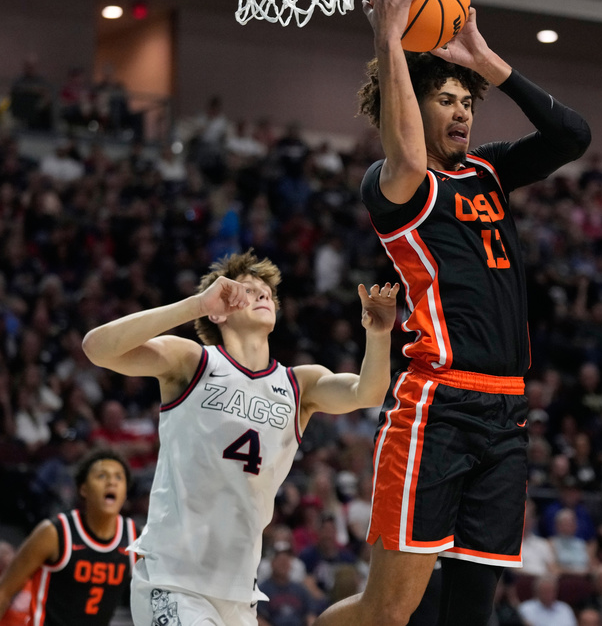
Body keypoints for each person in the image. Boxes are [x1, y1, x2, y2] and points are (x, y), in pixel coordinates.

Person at [317, 0, 590, 626]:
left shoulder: (491, 169)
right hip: (437, 405)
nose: (464, 113)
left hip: (507, 414)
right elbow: (409, 154)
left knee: (473, 612)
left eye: (470, 102)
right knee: (388, 611)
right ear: (409, 104)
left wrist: (487, 61)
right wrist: (389, 42)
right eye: (448, 100)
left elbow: (572, 136)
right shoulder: (392, 183)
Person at [80, 251, 397, 626]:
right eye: (248, 291)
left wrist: (378, 336)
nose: (263, 295)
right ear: (220, 310)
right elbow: (97, 348)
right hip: (175, 579)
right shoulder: (193, 362)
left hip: (239, 592)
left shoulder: (299, 383)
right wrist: (195, 305)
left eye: (267, 292)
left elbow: (369, 393)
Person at [0, 450, 135, 626]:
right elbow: (4, 590)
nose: (111, 482)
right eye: (102, 476)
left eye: (119, 477)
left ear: (125, 492)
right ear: (83, 489)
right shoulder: (54, 533)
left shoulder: (135, 538)